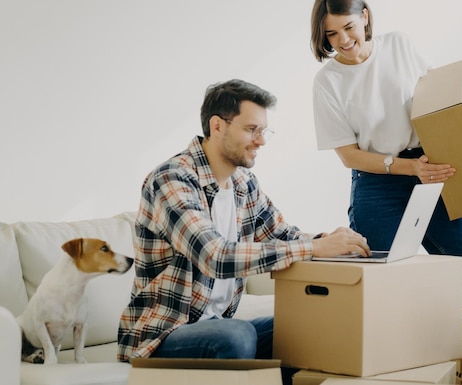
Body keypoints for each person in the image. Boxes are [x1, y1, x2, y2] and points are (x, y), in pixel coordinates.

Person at [117, 79, 369, 368]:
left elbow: (283, 235)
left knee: (311, 328)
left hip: (218, 328)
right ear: (217, 126)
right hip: (160, 336)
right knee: (236, 336)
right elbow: (216, 257)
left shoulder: (243, 183)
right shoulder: (173, 179)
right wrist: (314, 248)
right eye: (252, 130)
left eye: (263, 131)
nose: (261, 141)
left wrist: (332, 241)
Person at [309, 0, 462, 306]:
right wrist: (410, 168)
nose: (342, 40)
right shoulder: (328, 82)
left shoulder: (398, 45)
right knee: (384, 285)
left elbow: (445, 92)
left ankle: (433, 328)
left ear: (365, 17)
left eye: (348, 27)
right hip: (377, 183)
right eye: (331, 34)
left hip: (428, 170)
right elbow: (349, 155)